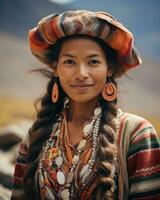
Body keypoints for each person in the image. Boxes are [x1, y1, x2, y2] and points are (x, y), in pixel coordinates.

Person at [11, 10, 160, 200]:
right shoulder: (36, 136)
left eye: (93, 61)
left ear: (109, 68)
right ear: (56, 68)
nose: (81, 73)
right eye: (70, 61)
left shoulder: (137, 134)